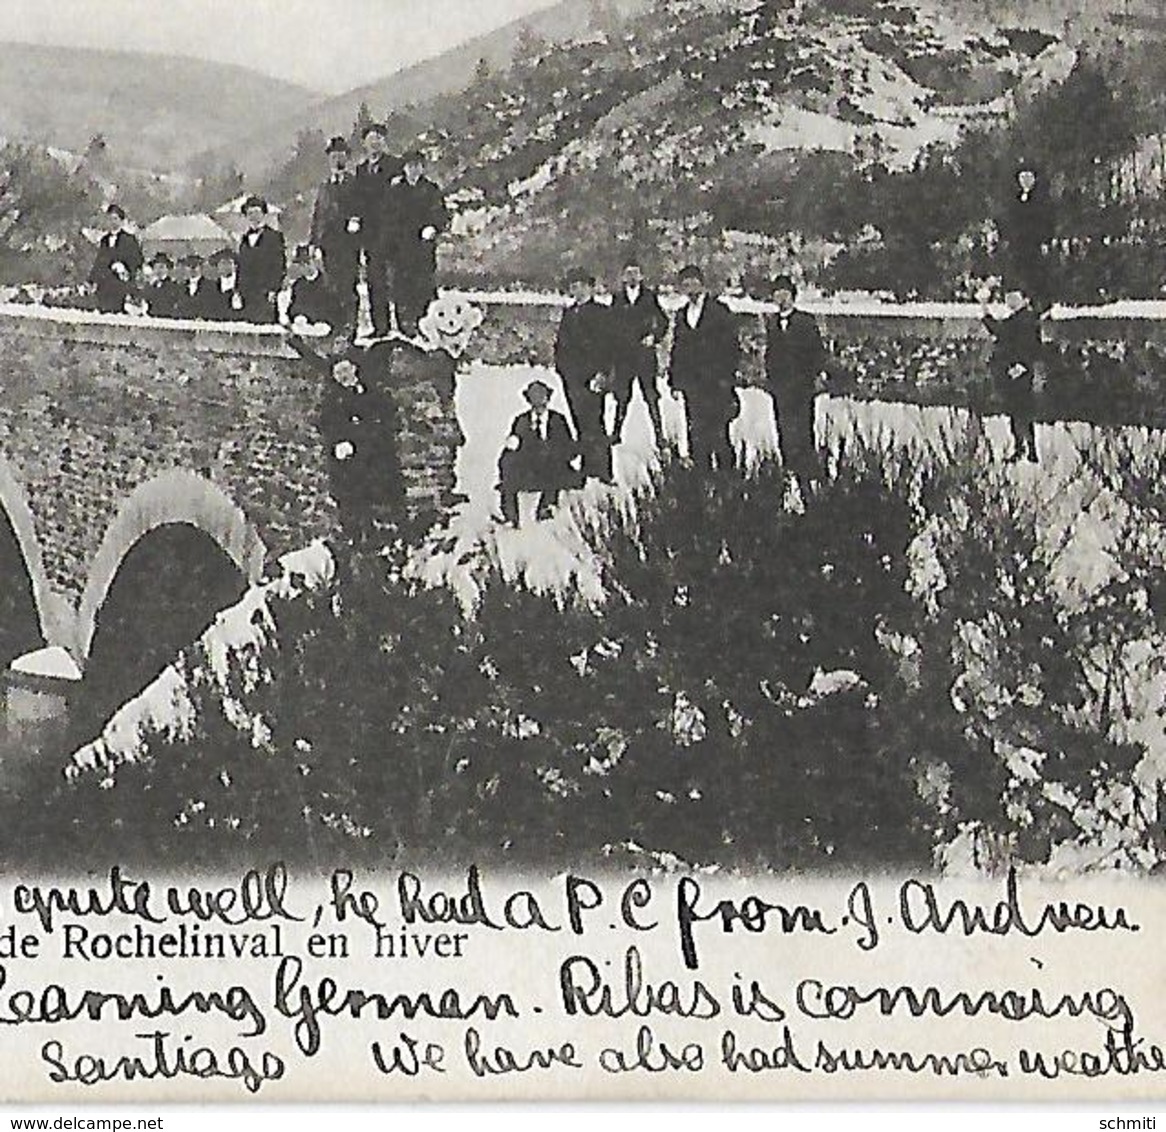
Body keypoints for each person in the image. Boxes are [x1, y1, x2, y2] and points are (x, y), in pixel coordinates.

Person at [314, 342, 404, 554]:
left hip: (375, 458)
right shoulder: (333, 400)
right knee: (353, 502)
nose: (343, 376)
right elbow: (328, 426)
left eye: (346, 370)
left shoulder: (372, 392)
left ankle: (385, 539)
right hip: (351, 465)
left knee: (381, 499)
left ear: (354, 368)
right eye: (338, 373)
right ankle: (357, 539)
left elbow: (387, 415)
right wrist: (340, 442)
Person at [668, 264, 741, 471]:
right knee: (696, 432)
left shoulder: (719, 311)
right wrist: (674, 380)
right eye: (685, 284)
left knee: (719, 432)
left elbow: (732, 347)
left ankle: (727, 477)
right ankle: (702, 476)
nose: (690, 288)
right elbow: (678, 348)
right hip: (693, 385)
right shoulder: (682, 314)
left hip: (716, 384)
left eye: (693, 283)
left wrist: (726, 378)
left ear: (702, 284)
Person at [763, 275, 828, 484]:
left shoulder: (805, 321)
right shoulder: (772, 323)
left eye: (785, 293)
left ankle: (807, 475)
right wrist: (770, 379)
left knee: (803, 428)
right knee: (782, 427)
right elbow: (771, 354)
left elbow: (816, 352)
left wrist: (815, 376)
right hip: (780, 387)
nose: (781, 298)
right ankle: (788, 470)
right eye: (777, 293)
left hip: (801, 386)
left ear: (793, 296)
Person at [555, 271, 613, 483]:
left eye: (581, 285)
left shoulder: (601, 312)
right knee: (579, 421)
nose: (577, 290)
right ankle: (587, 467)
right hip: (572, 377)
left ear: (590, 287)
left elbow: (609, 346)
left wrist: (602, 373)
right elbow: (561, 345)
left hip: (593, 376)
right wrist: (562, 369)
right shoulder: (569, 313)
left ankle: (603, 470)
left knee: (595, 421)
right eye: (573, 286)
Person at [497, 379, 580, 527]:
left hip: (553, 466)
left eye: (541, 395)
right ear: (528, 399)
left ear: (548, 398)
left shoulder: (558, 420)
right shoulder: (521, 421)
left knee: (556, 470)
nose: (538, 399)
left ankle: (546, 508)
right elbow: (512, 446)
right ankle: (510, 517)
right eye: (533, 396)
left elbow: (569, 447)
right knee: (508, 468)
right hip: (530, 467)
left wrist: (555, 453)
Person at [387, 150, 450, 335]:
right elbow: (387, 218)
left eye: (417, 165)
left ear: (422, 168)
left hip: (423, 249)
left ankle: (426, 328)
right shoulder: (396, 191)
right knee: (401, 290)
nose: (413, 169)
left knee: (423, 289)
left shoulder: (431, 189)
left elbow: (441, 214)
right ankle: (404, 328)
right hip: (400, 249)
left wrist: (433, 227)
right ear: (404, 168)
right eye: (410, 166)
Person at [607, 257, 667, 447]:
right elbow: (610, 324)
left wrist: (654, 337)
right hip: (624, 357)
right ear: (623, 277)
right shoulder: (617, 298)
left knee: (651, 396)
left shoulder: (649, 297)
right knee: (622, 397)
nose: (632, 277)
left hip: (644, 356)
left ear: (641, 276)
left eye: (635, 273)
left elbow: (663, 321)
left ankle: (660, 435)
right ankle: (616, 433)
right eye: (628, 273)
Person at [353, 123, 404, 337]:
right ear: (364, 144)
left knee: (399, 280)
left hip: (394, 234)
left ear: (385, 141)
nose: (375, 143)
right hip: (371, 235)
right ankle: (380, 327)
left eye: (379, 138)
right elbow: (357, 200)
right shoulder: (360, 170)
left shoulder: (396, 166)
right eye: (371, 139)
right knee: (375, 282)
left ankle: (403, 326)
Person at [983, 289, 1045, 463]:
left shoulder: (1028, 319)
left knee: (1022, 411)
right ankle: (1021, 448)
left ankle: (1030, 449)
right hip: (1011, 371)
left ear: (1024, 300)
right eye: (1008, 297)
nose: (1009, 300)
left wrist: (1023, 365)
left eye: (1014, 297)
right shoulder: (1014, 319)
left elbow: (1032, 346)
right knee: (1016, 411)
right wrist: (985, 309)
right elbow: (1000, 330)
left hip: (1020, 371)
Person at [310, 135, 362, 332]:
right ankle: (334, 326)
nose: (337, 160)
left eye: (340, 156)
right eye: (333, 157)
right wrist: (313, 242)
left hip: (348, 244)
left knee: (348, 285)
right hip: (327, 245)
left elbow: (362, 207)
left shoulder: (354, 183)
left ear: (347, 158)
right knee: (329, 285)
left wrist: (355, 221)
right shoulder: (324, 186)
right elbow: (318, 215)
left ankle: (350, 327)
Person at [1000, 165, 1056, 307]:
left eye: (1028, 177)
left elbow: (1047, 221)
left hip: (1034, 242)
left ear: (1034, 179)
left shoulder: (1042, 199)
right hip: (1018, 243)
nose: (1025, 180)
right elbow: (1009, 220)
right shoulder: (1014, 198)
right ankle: (1021, 303)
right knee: (1020, 272)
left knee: (1036, 273)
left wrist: (1045, 241)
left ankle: (1041, 303)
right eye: (1022, 177)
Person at [235, 195, 286, 323]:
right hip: (247, 291)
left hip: (265, 291)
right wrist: (238, 289)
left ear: (263, 214)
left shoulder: (274, 237)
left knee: (265, 324)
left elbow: (279, 265)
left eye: (257, 212)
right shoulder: (244, 239)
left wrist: (273, 289)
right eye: (250, 213)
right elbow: (241, 266)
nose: (253, 216)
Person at [89, 204, 143, 314]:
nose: (112, 222)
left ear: (121, 221)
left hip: (120, 285)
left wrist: (124, 267)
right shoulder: (104, 240)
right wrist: (91, 280)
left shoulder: (129, 240)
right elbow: (99, 261)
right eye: (110, 219)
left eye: (115, 219)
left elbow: (137, 260)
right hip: (104, 285)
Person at [287, 244, 343, 330]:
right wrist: (298, 317)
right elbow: (294, 308)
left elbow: (334, 308)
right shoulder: (298, 286)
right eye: (301, 264)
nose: (305, 267)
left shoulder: (327, 283)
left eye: (307, 263)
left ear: (315, 262)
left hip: (326, 326)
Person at [202, 249, 241, 320]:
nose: (225, 266)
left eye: (228, 263)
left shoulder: (243, 286)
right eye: (222, 263)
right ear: (217, 267)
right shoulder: (210, 288)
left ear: (235, 266)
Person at [143, 253, 182, 319]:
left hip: (167, 318)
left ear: (167, 269)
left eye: (161, 267)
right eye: (156, 267)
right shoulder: (150, 285)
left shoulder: (173, 285)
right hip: (152, 318)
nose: (158, 270)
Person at [171, 255, 208, 320]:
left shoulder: (209, 286)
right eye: (189, 266)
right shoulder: (181, 287)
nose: (192, 269)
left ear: (201, 267)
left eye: (195, 266)